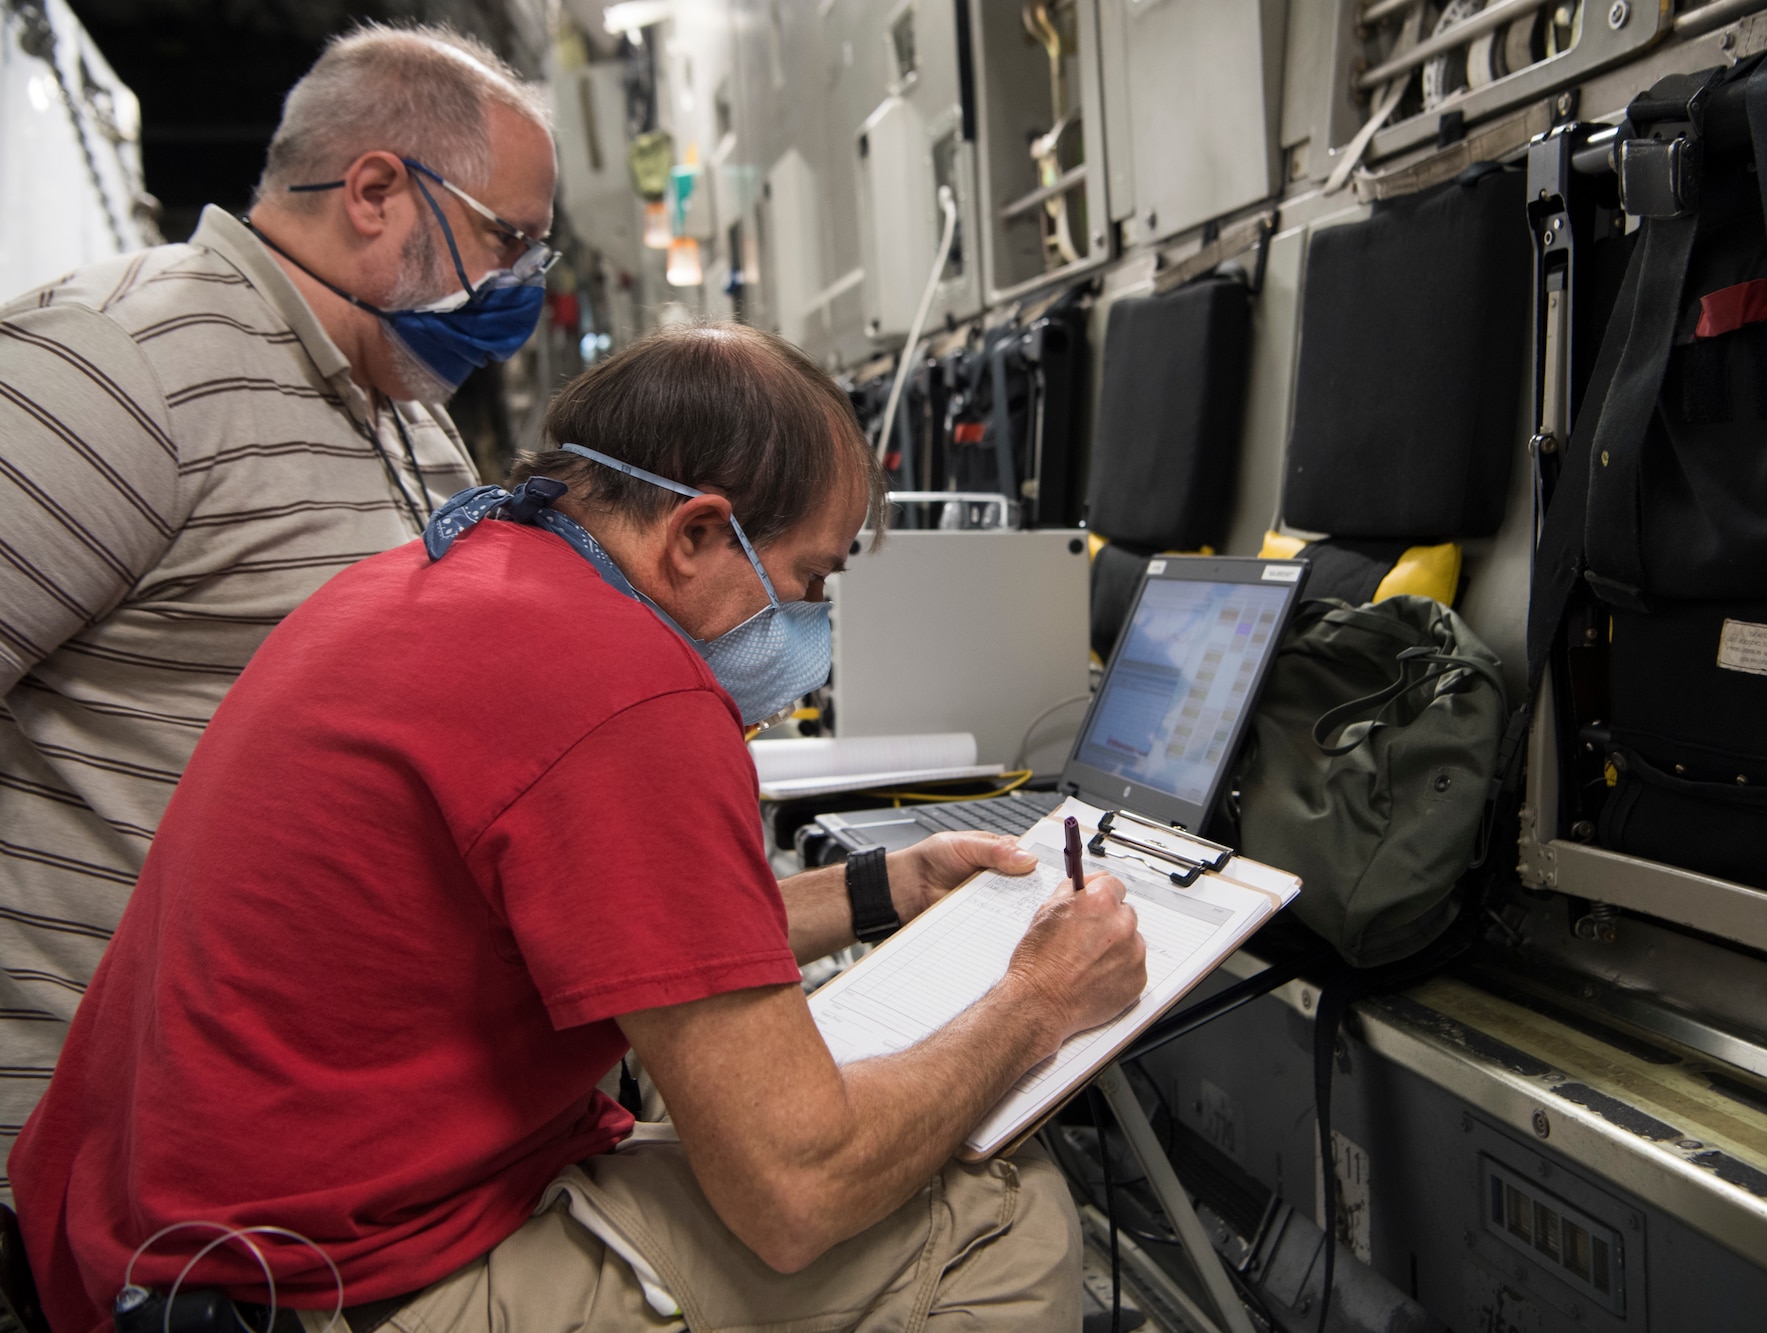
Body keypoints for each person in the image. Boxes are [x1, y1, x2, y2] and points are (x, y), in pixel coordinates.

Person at [12, 322, 1149, 1333]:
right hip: (318, 1285)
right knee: (999, 1211)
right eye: (805, 579)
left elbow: (614, 943)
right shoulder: (625, 689)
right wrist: (1038, 1000)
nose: (807, 626)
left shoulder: (427, 583)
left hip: (141, 1239)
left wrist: (879, 890)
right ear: (698, 536)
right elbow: (797, 1190)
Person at [0, 23, 557, 1192]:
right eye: (509, 241)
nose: (523, 286)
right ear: (373, 191)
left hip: (307, 1130)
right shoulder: (121, 367)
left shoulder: (407, 410)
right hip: (118, 1157)